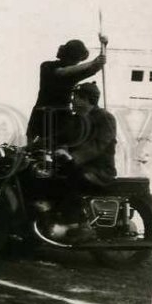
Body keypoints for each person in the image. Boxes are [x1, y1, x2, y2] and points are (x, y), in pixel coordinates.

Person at [50, 82, 117, 243]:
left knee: (71, 179)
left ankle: (81, 225)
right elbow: (58, 137)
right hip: (78, 165)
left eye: (77, 97)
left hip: (98, 170)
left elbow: (99, 145)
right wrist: (31, 147)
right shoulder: (77, 119)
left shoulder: (105, 118)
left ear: (87, 99)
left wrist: (73, 157)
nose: (72, 101)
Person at [27, 35, 107, 150]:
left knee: (60, 155)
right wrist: (92, 62)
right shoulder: (47, 66)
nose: (76, 63)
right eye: (74, 59)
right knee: (33, 153)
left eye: (78, 61)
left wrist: (104, 46)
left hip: (62, 118)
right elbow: (62, 72)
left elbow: (96, 66)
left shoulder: (74, 72)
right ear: (65, 55)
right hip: (41, 117)